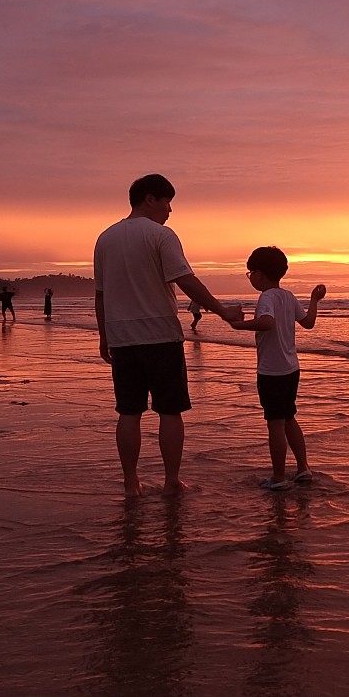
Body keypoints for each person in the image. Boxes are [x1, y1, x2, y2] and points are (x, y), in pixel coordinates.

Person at [94, 173, 238, 497]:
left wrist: (104, 336)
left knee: (128, 412)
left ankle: (132, 485)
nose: (170, 210)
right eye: (167, 201)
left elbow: (101, 295)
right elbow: (184, 278)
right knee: (169, 411)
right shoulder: (162, 235)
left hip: (123, 339)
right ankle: (171, 481)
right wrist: (222, 310)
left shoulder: (105, 238)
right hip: (160, 336)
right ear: (150, 199)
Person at [227, 246, 326, 490]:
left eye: (250, 273)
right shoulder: (288, 296)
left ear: (260, 274)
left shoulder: (267, 297)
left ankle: (279, 477)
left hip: (272, 372)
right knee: (289, 418)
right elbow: (309, 323)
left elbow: (267, 323)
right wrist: (314, 300)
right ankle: (303, 468)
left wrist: (237, 324)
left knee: (275, 424)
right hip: (292, 369)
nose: (250, 278)